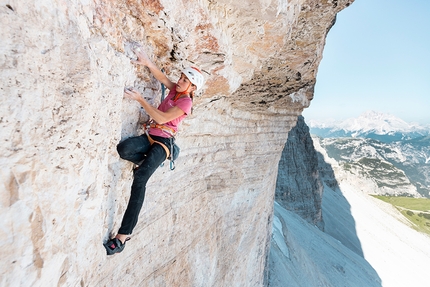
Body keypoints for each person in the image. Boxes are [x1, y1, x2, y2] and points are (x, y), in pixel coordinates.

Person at [103, 48, 204, 255]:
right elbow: (163, 78)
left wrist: (140, 100)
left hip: (163, 144)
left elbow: (161, 118)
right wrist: (148, 62)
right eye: (182, 76)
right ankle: (146, 163)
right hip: (151, 137)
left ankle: (123, 236)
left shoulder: (186, 102)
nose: (180, 80)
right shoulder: (177, 90)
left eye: (185, 80)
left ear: (193, 87)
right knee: (125, 149)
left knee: (140, 180)